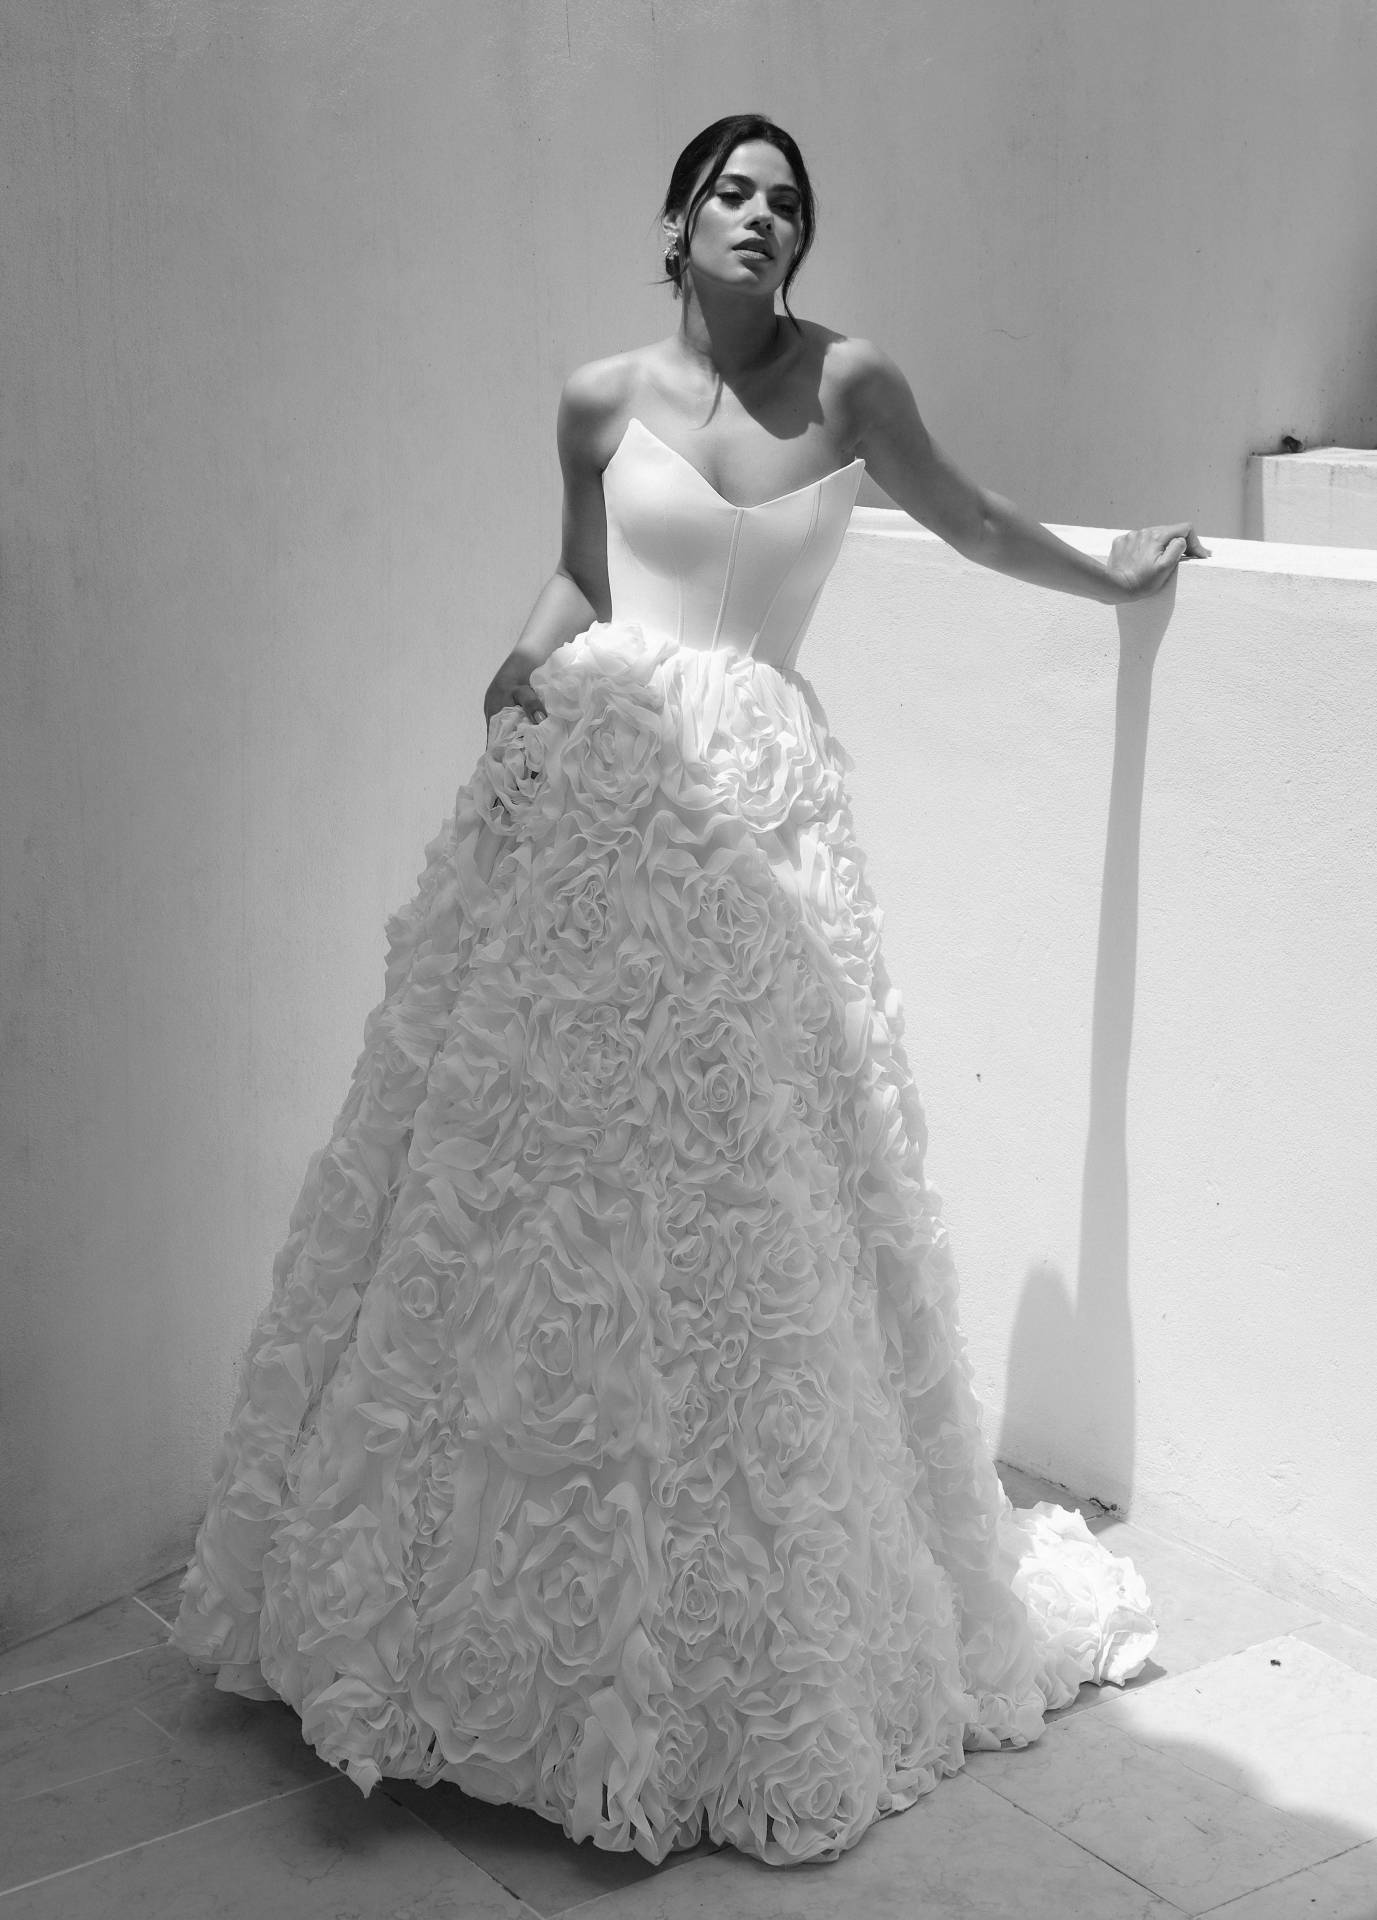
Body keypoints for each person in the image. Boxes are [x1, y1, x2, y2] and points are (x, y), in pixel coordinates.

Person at [172, 113, 1205, 1867]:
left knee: (748, 1196)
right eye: (734, 191)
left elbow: (963, 517)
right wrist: (515, 666)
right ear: (679, 219)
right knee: (533, 1189)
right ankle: (471, 1640)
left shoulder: (850, 385)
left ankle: (732, 1655)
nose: (762, 218)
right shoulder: (595, 399)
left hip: (758, 826)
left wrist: (1107, 575)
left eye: (787, 203)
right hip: (599, 802)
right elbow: (588, 573)